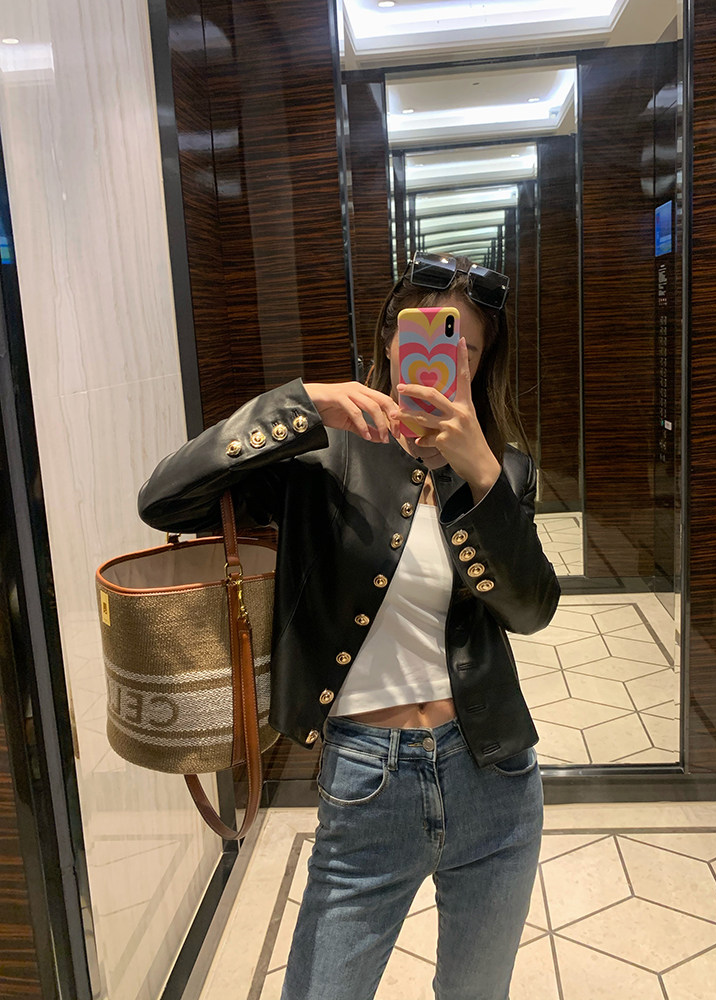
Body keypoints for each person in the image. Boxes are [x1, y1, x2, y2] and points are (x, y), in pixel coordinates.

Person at [138, 252, 560, 1000]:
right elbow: (163, 499)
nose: (441, 359)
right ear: (391, 340)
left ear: (481, 362)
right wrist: (299, 403)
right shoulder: (322, 456)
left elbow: (530, 611)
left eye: (463, 348)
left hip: (495, 776)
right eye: (422, 335)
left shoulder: (505, 472)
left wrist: (482, 472)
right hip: (369, 780)